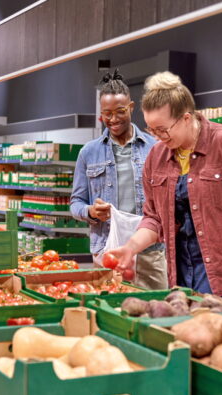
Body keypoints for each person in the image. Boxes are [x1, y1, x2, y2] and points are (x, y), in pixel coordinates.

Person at [107, 71, 222, 304]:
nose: (158, 137)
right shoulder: (157, 157)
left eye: (163, 129)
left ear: (186, 118)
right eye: (151, 130)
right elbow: (154, 219)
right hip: (183, 277)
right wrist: (131, 247)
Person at [70, 69, 167, 289]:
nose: (113, 119)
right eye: (107, 114)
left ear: (131, 108)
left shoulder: (156, 148)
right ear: (100, 115)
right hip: (107, 250)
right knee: (111, 309)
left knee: (156, 312)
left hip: (149, 254)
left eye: (120, 111)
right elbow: (75, 203)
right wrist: (91, 212)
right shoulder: (88, 152)